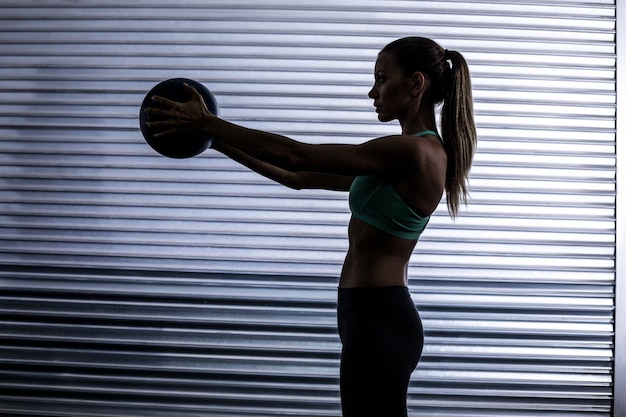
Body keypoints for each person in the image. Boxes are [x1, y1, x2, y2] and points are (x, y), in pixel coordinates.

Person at [145, 36, 476, 417]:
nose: (372, 92)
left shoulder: (415, 152)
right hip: (368, 316)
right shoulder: (400, 158)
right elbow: (297, 175)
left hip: (379, 319)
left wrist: (209, 122)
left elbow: (296, 153)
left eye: (382, 79)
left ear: (416, 83)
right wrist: (213, 140)